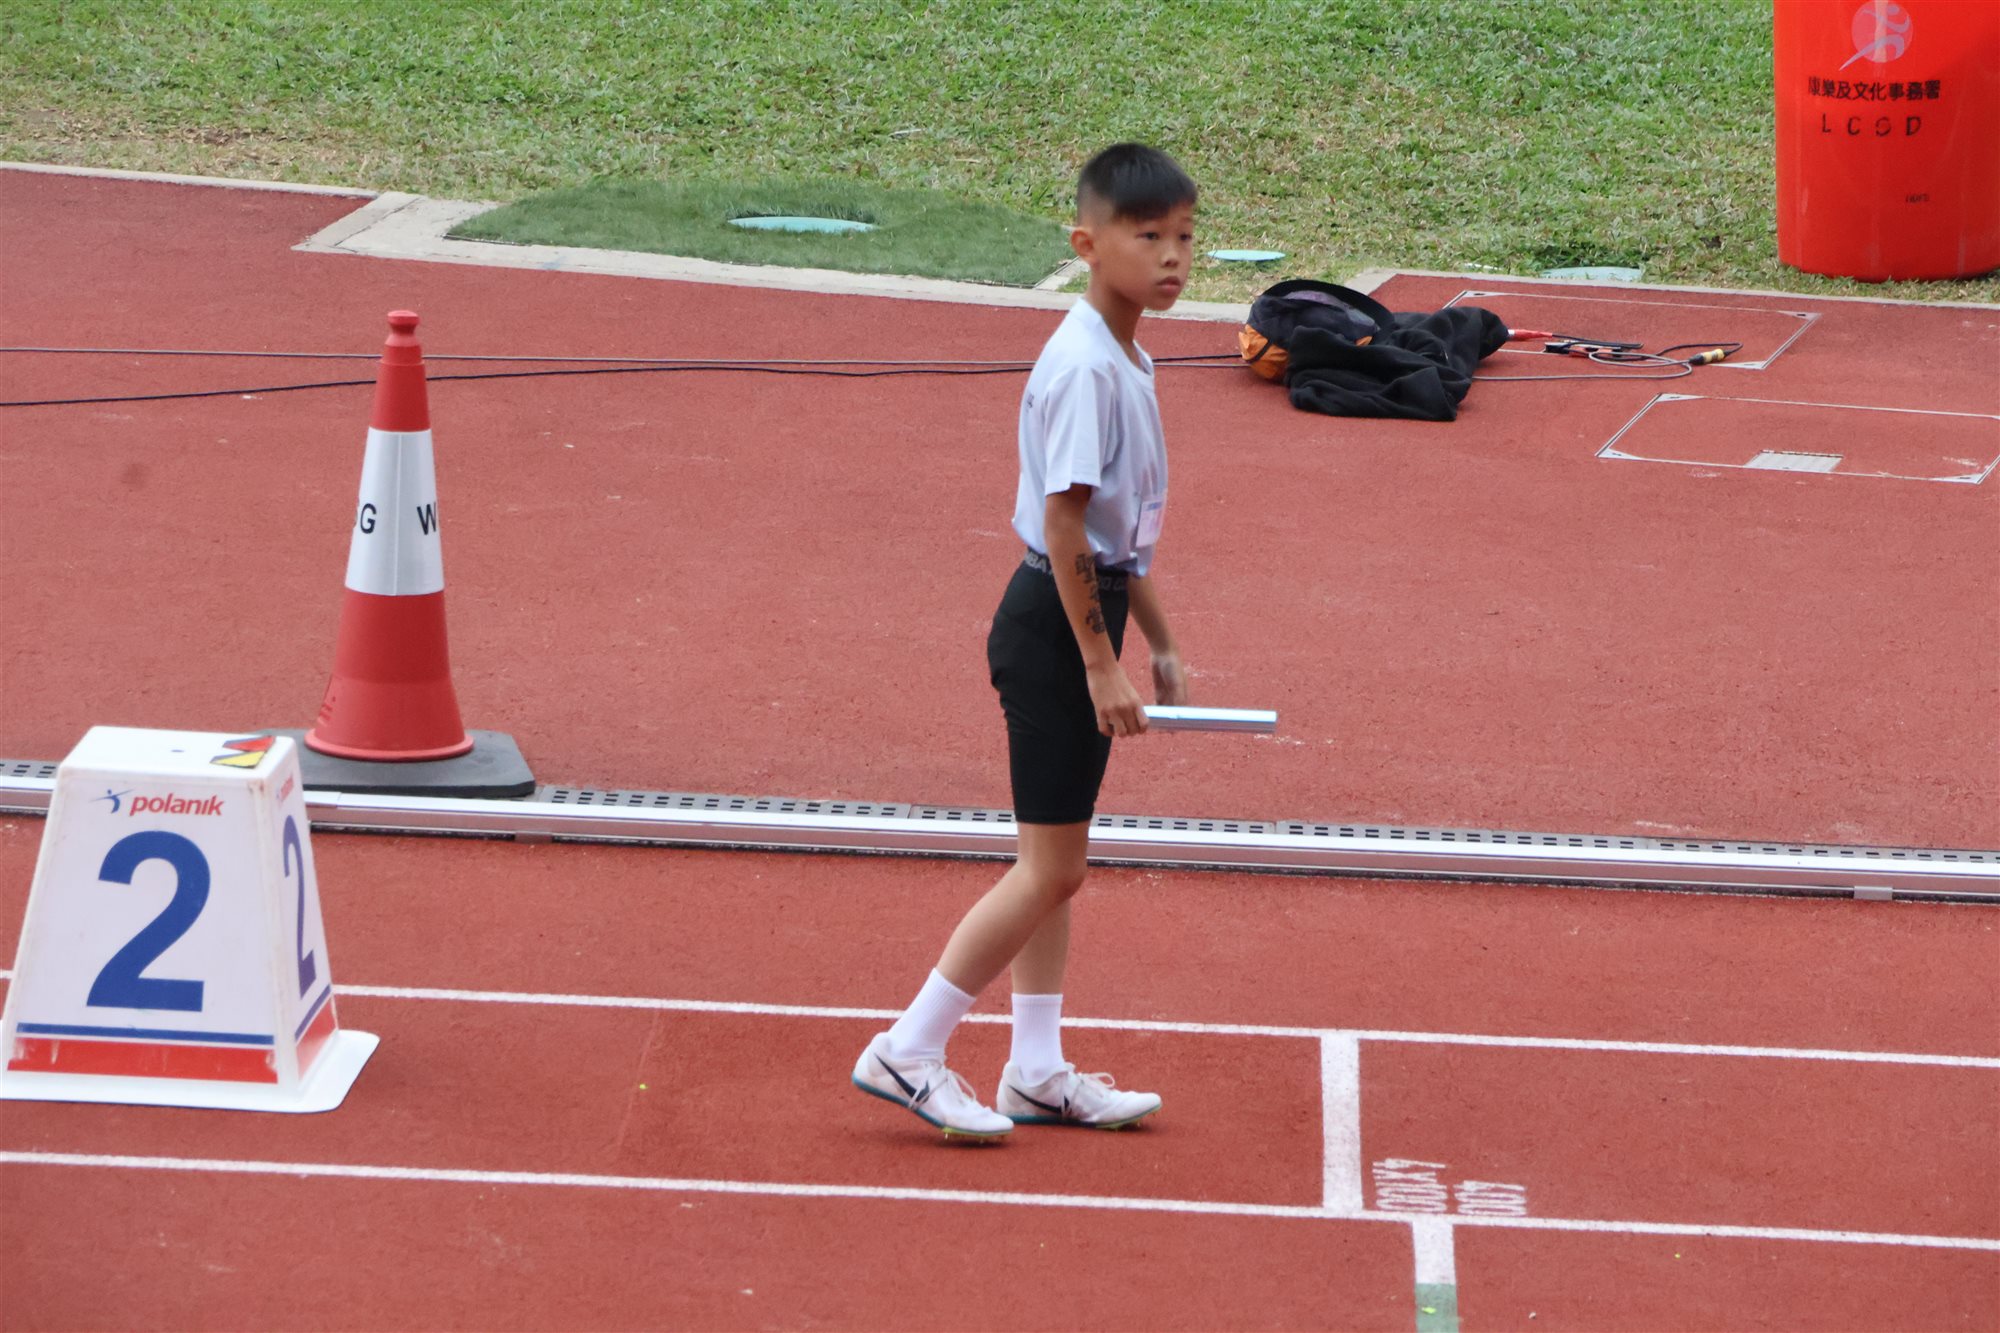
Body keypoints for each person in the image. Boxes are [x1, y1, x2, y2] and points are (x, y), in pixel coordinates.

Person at [852, 143, 1197, 1139]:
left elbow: (1118, 538)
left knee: (1058, 859)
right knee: (1051, 868)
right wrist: (1100, 664)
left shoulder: (1125, 354)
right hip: (1053, 626)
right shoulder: (1088, 367)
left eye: (1185, 237)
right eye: (1148, 236)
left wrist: (1158, 641)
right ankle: (908, 1046)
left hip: (1082, 610)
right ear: (1087, 245)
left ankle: (1036, 1068)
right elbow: (1064, 524)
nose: (1172, 257)